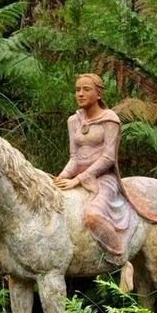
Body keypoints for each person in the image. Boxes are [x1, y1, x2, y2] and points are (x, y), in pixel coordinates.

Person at [53, 74, 137, 265]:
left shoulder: (110, 119)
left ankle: (121, 257)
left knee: (92, 214)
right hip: (77, 175)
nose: (80, 94)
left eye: (86, 89)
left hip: (103, 179)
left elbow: (108, 157)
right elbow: (74, 157)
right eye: (77, 90)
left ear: (99, 93)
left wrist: (78, 179)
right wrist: (62, 176)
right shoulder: (73, 121)